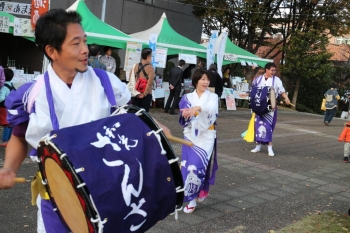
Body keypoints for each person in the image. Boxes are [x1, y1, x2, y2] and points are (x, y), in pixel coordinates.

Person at [0, 9, 131, 232]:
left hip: (105, 192)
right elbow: (20, 137)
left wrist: (151, 128)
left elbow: (127, 120)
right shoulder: (33, 95)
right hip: (57, 196)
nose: (85, 50)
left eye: (85, 42)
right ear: (52, 51)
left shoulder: (106, 84)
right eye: (75, 43)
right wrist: (9, 168)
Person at [178, 69, 219, 214]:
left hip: (206, 135)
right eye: (202, 79)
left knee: (198, 166)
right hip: (190, 135)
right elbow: (183, 113)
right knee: (188, 167)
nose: (206, 82)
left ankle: (195, 194)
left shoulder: (213, 97)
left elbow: (212, 109)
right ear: (196, 80)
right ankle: (192, 198)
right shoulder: (187, 97)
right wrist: (186, 113)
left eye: (207, 79)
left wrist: (198, 108)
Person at [250, 62, 290, 156]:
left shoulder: (276, 80)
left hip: (270, 108)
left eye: (274, 70)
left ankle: (270, 148)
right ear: (266, 70)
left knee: (268, 127)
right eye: (272, 70)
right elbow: (253, 90)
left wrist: (286, 98)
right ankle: (258, 146)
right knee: (258, 126)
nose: (273, 72)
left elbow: (281, 90)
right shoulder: (258, 79)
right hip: (259, 107)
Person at [129, 48, 155, 112]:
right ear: (148, 57)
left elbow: (130, 79)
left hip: (135, 93)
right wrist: (144, 94)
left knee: (134, 114)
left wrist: (137, 93)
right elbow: (149, 83)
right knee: (143, 115)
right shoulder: (150, 68)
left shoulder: (135, 66)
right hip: (146, 95)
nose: (151, 57)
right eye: (151, 56)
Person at [0, 68, 15, 147]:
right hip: (10, 106)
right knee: (9, 124)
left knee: (6, 124)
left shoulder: (4, 87)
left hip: (3, 107)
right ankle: (9, 140)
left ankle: (4, 140)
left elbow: (1, 98)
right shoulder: (11, 85)